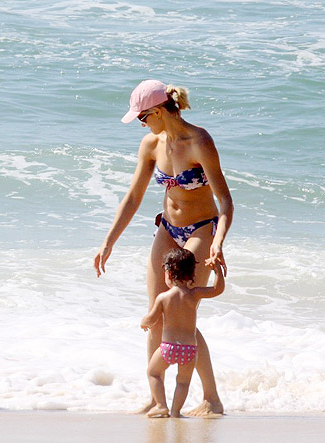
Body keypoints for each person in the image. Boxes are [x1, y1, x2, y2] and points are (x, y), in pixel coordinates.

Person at [94, 80, 233, 416]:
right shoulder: (151, 144)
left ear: (157, 111)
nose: (141, 125)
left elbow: (225, 201)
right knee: (157, 315)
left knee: (183, 315)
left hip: (201, 229)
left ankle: (211, 399)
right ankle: (157, 400)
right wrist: (108, 241)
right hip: (168, 228)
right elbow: (133, 198)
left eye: (142, 118)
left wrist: (217, 241)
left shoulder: (199, 141)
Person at [140, 249, 225, 418]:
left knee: (153, 372)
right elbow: (217, 289)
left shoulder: (164, 297)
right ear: (192, 273)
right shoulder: (195, 294)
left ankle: (160, 405)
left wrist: (144, 322)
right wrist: (217, 271)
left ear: (169, 273)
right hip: (190, 350)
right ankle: (176, 412)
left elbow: (151, 319)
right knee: (183, 382)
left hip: (168, 348)